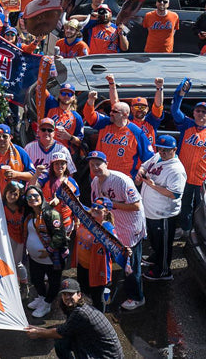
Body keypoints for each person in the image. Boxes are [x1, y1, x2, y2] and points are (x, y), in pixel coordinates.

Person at [87, 150, 145, 311]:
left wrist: (113, 204)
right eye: (92, 165)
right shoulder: (94, 182)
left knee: (131, 265)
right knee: (116, 259)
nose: (96, 168)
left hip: (130, 226)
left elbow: (136, 205)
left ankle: (137, 297)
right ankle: (115, 287)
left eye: (98, 164)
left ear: (106, 164)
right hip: (113, 226)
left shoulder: (122, 180)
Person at [26, 278, 124, 359]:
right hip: (95, 344)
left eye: (70, 294)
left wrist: (38, 333)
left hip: (108, 356)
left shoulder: (81, 312)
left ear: (79, 295)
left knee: (62, 340)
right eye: (64, 294)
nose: (67, 297)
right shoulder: (73, 307)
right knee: (61, 343)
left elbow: (59, 333)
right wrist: (39, 329)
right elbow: (65, 329)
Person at [136, 135, 186, 281]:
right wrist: (140, 172)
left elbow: (174, 194)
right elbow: (144, 165)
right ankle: (155, 258)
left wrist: (153, 186)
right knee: (154, 240)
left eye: (167, 150)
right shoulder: (157, 156)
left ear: (174, 150)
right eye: (161, 149)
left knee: (164, 244)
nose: (163, 152)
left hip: (163, 214)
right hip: (151, 211)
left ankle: (164, 271)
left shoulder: (176, 169)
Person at [83, 92, 153, 178]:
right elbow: (89, 116)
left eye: (115, 112)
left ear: (125, 114)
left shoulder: (137, 132)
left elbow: (149, 157)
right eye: (111, 111)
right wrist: (91, 101)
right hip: (100, 176)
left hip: (123, 179)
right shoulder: (105, 123)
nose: (111, 113)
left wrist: (140, 173)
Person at [23, 184, 67, 318]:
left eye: (35, 195)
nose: (32, 198)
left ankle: (47, 303)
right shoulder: (30, 214)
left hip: (51, 257)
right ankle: (42, 297)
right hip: (35, 257)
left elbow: (60, 235)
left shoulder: (51, 213)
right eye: (29, 196)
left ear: (41, 196)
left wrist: (49, 250)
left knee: (54, 281)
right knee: (36, 279)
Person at [170, 79, 206, 239]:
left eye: (204, 112)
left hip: (202, 178)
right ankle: (185, 229)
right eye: (198, 111)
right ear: (193, 113)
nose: (201, 114)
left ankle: (197, 232)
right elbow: (174, 109)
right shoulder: (187, 125)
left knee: (201, 207)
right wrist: (181, 93)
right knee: (184, 205)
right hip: (183, 176)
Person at [72, 197, 116, 312]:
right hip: (82, 266)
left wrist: (126, 252)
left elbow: (117, 245)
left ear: (106, 212)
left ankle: (99, 320)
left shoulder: (107, 227)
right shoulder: (87, 218)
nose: (95, 208)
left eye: (100, 207)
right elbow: (75, 203)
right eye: (94, 205)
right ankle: (86, 314)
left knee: (97, 298)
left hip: (96, 269)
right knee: (83, 292)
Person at [0, 124, 36, 192]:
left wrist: (16, 174)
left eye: (5, 136)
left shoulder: (19, 151)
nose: (1, 139)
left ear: (10, 137)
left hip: (13, 196)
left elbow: (33, 175)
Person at [2, 181, 28, 285]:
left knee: (18, 263)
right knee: (6, 261)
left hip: (20, 239)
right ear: (5, 192)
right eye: (10, 193)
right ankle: (10, 282)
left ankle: (24, 282)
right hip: (6, 237)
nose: (12, 196)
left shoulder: (22, 207)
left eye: (16, 194)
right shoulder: (0, 206)